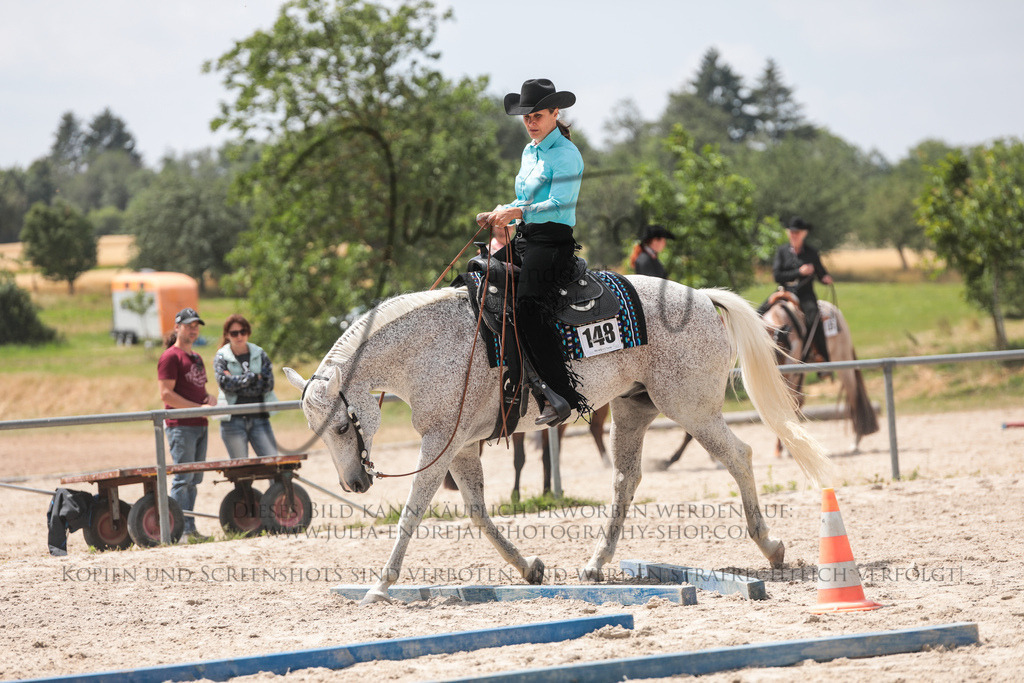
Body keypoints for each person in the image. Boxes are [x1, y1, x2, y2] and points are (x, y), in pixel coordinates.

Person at [476, 78, 587, 426]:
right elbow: (525, 199)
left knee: (528, 309)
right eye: (526, 117)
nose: (530, 122)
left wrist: (518, 212)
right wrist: (502, 209)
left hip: (553, 242)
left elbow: (559, 203)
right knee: (477, 281)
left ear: (556, 113)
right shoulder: (529, 151)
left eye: (537, 115)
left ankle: (560, 395)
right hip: (526, 236)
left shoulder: (567, 154)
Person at [157, 307, 215, 539]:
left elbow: (199, 388)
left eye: (195, 326)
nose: (193, 330)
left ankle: (189, 529)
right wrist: (196, 407)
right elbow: (166, 394)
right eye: (188, 325)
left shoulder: (196, 357)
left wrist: (209, 399)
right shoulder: (170, 356)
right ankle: (177, 530)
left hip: (199, 423)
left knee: (193, 479)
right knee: (182, 479)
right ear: (177, 327)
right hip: (181, 425)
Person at [214, 314, 279, 459]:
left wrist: (237, 382)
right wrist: (254, 377)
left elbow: (268, 385)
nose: (239, 336)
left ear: (248, 333)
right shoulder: (221, 356)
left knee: (274, 464)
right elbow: (225, 384)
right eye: (234, 333)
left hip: (259, 417)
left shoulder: (260, 353)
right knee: (241, 471)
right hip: (232, 421)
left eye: (243, 331)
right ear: (227, 335)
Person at [771, 217, 834, 363]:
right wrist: (800, 272)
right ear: (788, 233)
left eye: (797, 232)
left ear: (804, 233)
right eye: (792, 232)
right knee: (760, 313)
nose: (794, 235)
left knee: (814, 318)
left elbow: (821, 273)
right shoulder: (782, 251)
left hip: (805, 294)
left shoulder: (811, 253)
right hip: (784, 292)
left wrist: (825, 278)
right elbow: (777, 275)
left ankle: (822, 357)